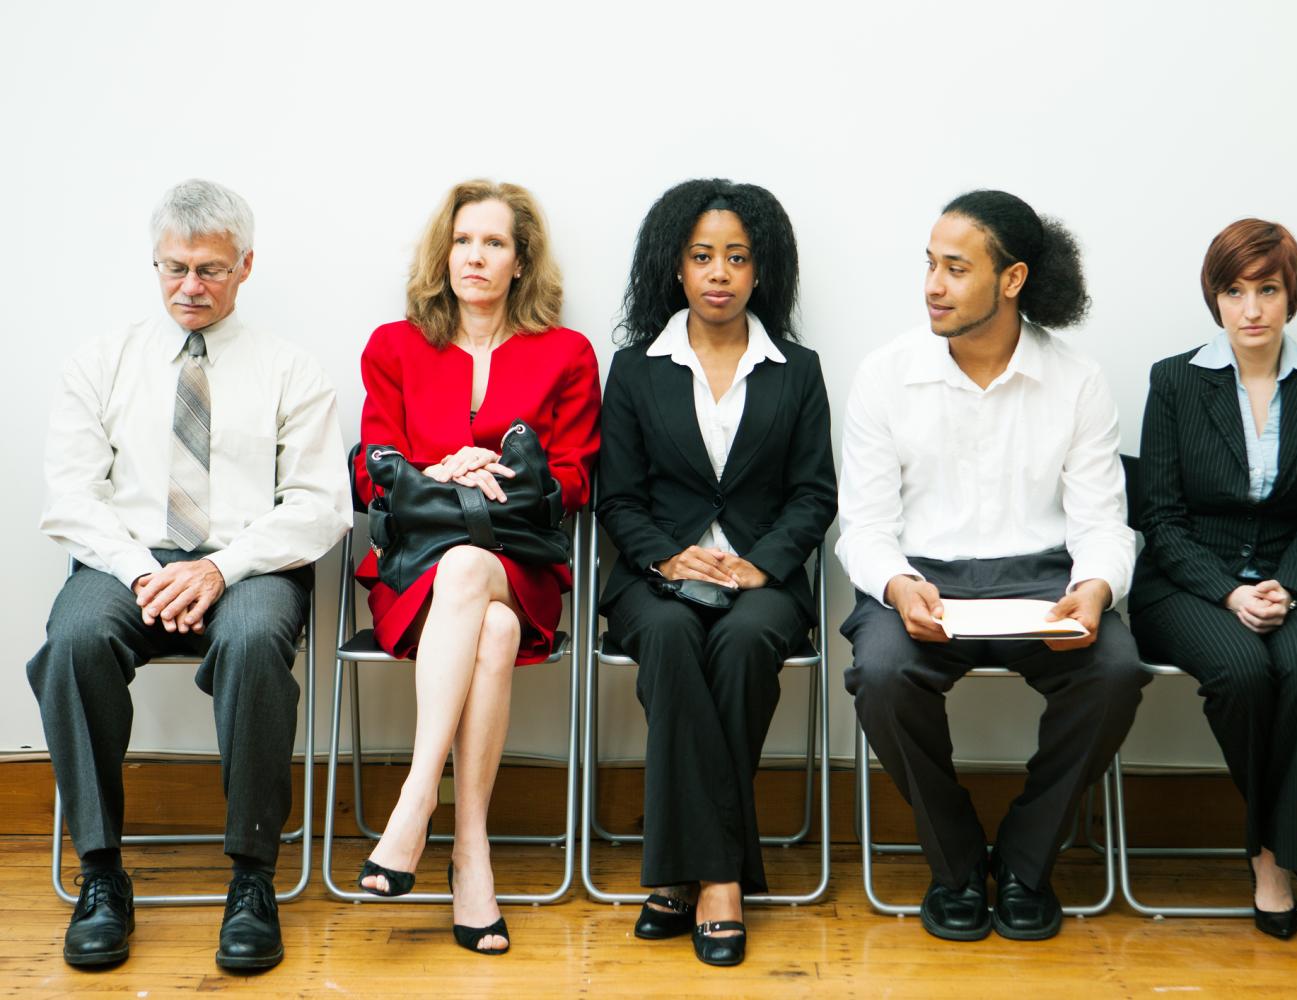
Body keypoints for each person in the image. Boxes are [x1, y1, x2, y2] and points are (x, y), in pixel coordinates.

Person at [26, 179, 350, 970]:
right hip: (127, 560)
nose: (189, 287)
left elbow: (319, 506)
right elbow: (71, 498)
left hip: (250, 563)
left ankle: (252, 879)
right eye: (173, 269)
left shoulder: (290, 370)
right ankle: (101, 873)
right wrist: (146, 573)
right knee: (72, 640)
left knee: (251, 645)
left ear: (245, 266)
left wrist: (218, 566)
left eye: (208, 270)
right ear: (155, 263)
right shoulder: (102, 362)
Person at [838, 189, 1145, 943]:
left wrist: (1096, 587)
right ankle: (954, 862)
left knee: (1113, 672)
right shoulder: (885, 376)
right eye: (930, 265)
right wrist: (897, 583)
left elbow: (1103, 522)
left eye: (955, 268)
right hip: (922, 580)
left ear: (1011, 281)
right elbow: (866, 527)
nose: (932, 286)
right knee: (880, 675)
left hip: (1044, 582)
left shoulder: (1076, 380)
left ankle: (1024, 861)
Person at [351, 179, 600, 955]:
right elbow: (368, 473)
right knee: (484, 620)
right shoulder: (394, 346)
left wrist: (503, 475)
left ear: (521, 262)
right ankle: (470, 853)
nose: (476, 257)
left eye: (494, 243)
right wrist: (442, 472)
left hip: (519, 563)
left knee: (479, 578)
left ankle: (415, 803)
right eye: (464, 241)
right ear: (444, 251)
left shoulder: (567, 354)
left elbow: (579, 478)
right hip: (419, 568)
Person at [594, 179, 837, 967]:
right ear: (676, 267)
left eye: (737, 257)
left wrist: (763, 567)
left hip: (760, 584)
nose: (720, 273)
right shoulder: (635, 369)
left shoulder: (798, 370)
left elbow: (813, 494)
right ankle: (724, 878)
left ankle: (680, 875)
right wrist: (667, 553)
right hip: (652, 577)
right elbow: (618, 499)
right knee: (667, 636)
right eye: (703, 257)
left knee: (739, 647)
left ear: (762, 272)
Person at [1129, 219, 1297, 939]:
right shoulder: (1174, 380)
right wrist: (1230, 592)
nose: (1251, 308)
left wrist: (1285, 587)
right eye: (1234, 291)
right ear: (1215, 298)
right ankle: (1287, 853)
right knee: (1242, 672)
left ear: (1292, 295)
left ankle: (1271, 846)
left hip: (1296, 575)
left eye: (1268, 289)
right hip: (1187, 580)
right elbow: (1160, 516)